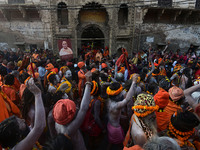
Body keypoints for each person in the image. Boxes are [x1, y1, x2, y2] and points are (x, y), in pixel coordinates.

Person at [0, 78, 46, 150]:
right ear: (17, 135)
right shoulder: (17, 148)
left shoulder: (22, 138)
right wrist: (37, 94)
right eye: (20, 123)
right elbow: (39, 127)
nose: (23, 120)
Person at [53, 71, 92, 150]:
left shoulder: (57, 122)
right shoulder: (70, 129)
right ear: (69, 116)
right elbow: (83, 109)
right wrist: (88, 83)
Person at [106, 74, 139, 148]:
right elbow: (127, 99)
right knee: (121, 146)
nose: (122, 93)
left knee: (110, 143)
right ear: (117, 94)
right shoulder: (116, 105)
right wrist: (133, 82)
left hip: (109, 125)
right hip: (115, 129)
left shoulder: (108, 100)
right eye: (121, 92)